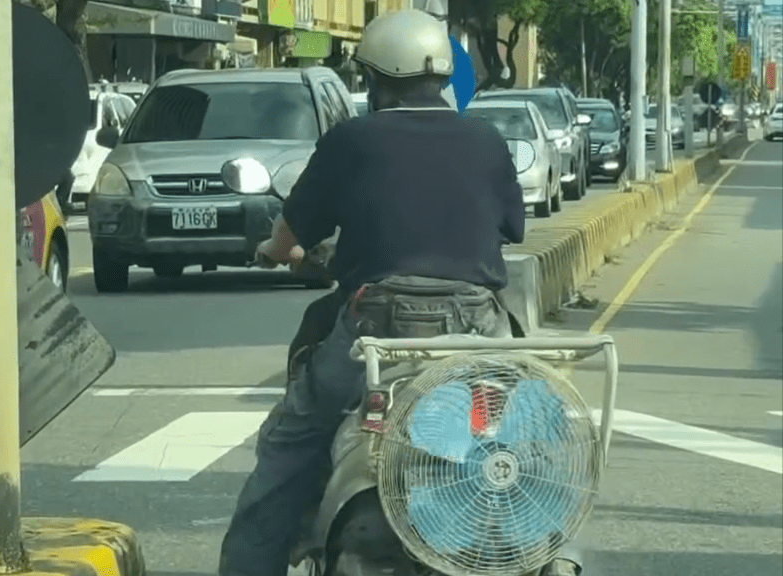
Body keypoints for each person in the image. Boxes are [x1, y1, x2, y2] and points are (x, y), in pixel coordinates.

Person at [218, 9, 583, 576]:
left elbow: (290, 235)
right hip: (475, 330)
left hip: (375, 328)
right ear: (442, 77)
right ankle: (555, 557)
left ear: (374, 78)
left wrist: (273, 249)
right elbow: (513, 228)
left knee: (293, 440)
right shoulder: (485, 140)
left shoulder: (350, 140)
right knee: (525, 445)